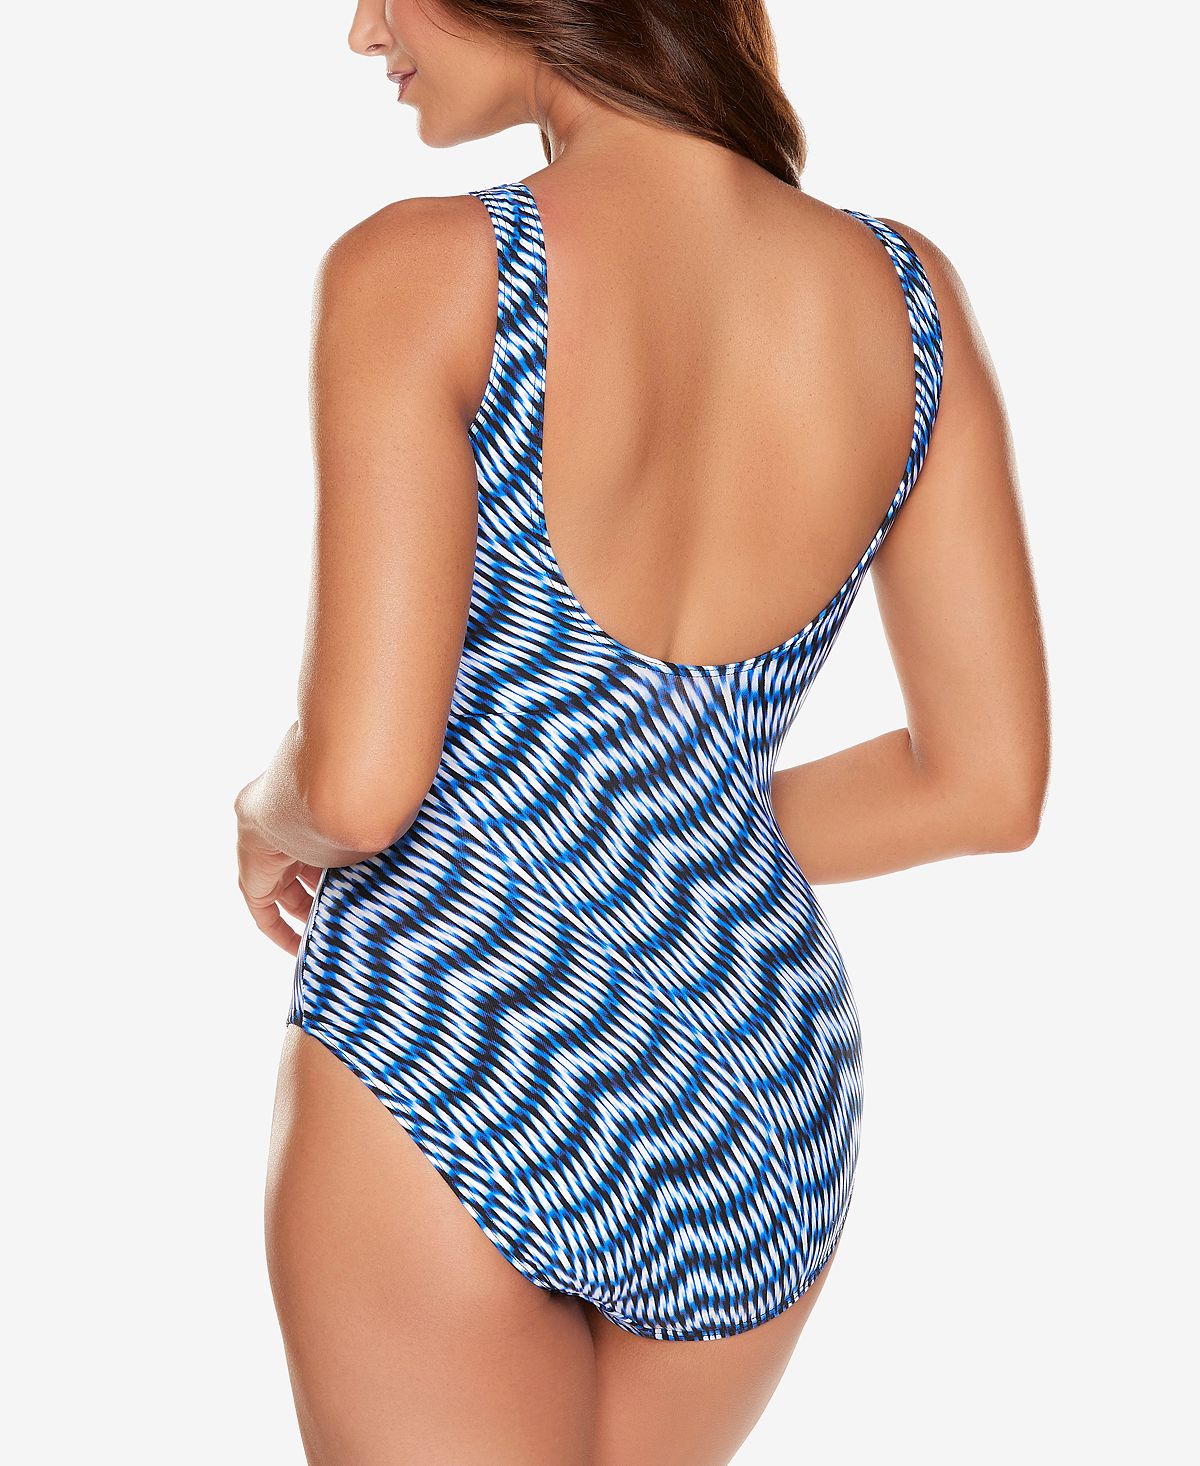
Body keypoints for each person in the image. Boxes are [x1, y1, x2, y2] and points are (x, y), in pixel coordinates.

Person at [233, 2, 1050, 1460]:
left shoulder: (426, 273)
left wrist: (258, 809)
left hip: (466, 1036)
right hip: (757, 1087)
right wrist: (671, 833)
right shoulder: (905, 293)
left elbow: (356, 788)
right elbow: (984, 783)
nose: (362, 30)